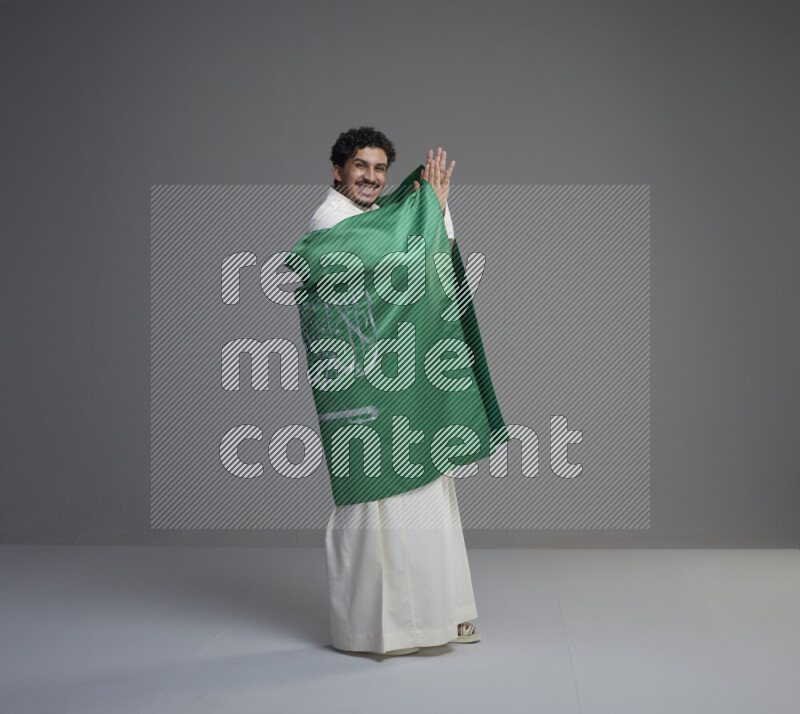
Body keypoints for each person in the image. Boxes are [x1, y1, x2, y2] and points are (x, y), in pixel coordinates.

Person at [305, 127, 482, 656]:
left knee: (426, 488)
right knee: (374, 504)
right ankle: (382, 627)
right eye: (360, 166)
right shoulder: (328, 222)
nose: (372, 177)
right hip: (360, 386)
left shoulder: (385, 219)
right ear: (338, 170)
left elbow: (424, 264)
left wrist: (436, 212)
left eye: (380, 169)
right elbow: (384, 257)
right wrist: (424, 213)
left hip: (401, 379)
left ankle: (443, 614)